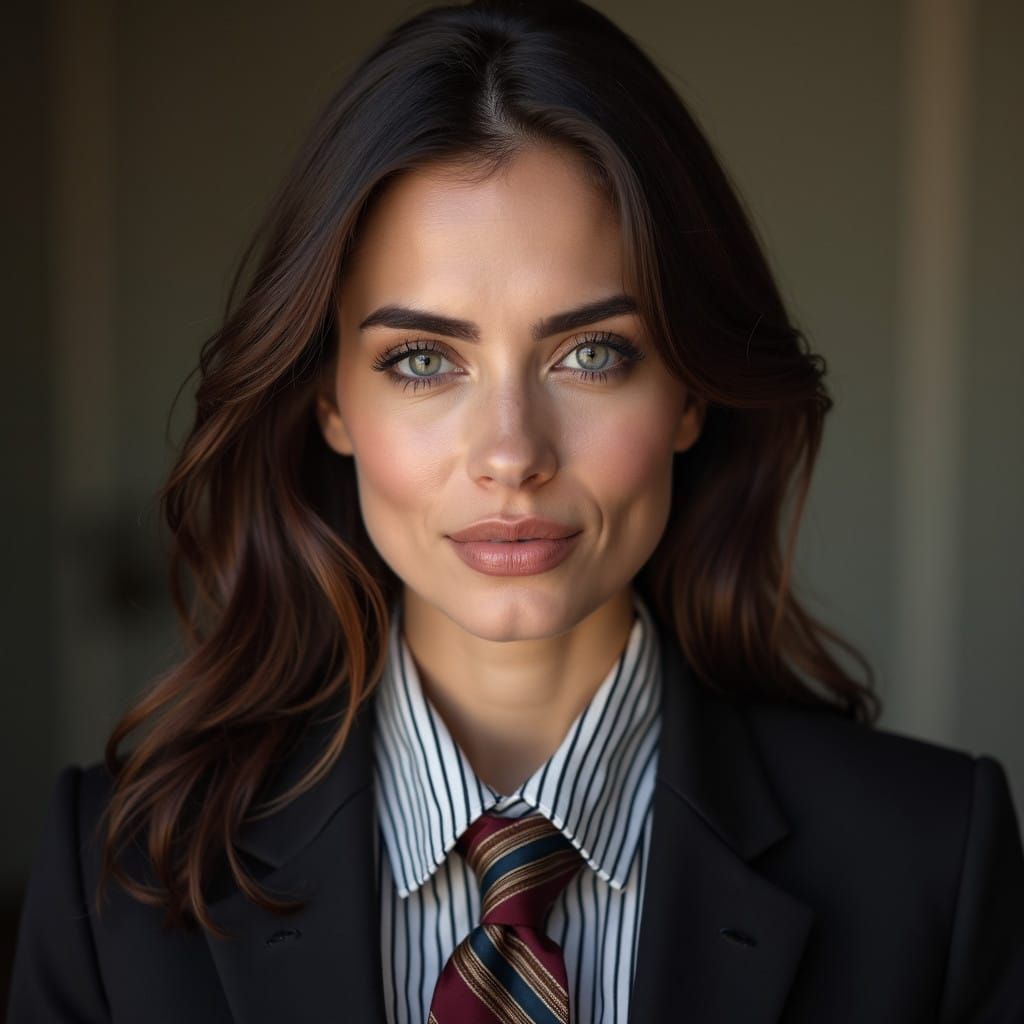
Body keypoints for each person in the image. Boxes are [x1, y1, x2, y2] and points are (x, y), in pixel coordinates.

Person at [9, 1, 1024, 1021]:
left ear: (688, 391)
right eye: (421, 360)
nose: (510, 454)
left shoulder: (932, 861)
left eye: (591, 354)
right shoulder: (122, 876)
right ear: (329, 401)